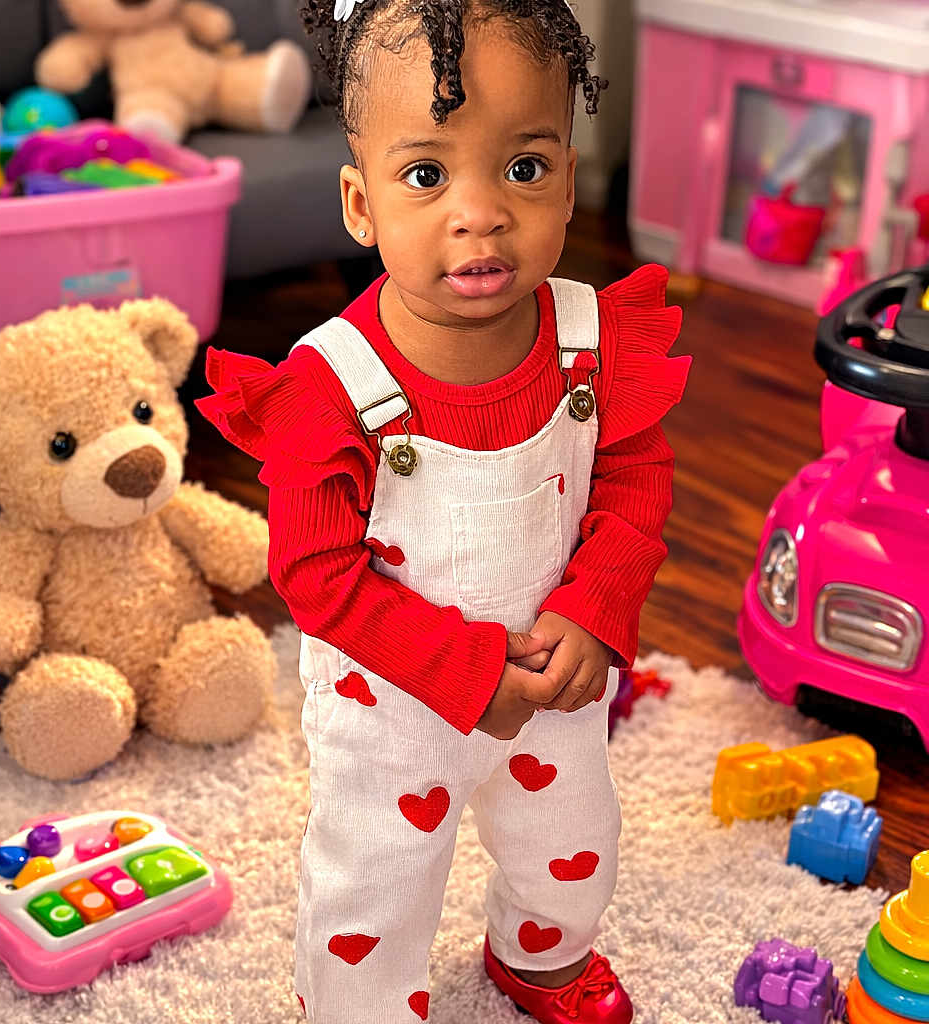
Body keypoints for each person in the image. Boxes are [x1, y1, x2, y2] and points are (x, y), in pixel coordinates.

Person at [197, 1, 690, 1020]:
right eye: (427, 174)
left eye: (525, 167)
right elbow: (315, 572)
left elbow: (634, 484)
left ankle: (538, 959)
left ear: (566, 171)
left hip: (555, 673)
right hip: (397, 699)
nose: (482, 212)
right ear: (359, 202)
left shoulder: (590, 341)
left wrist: (595, 607)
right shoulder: (331, 383)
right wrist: (461, 670)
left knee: (570, 846)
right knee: (374, 880)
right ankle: (360, 1005)